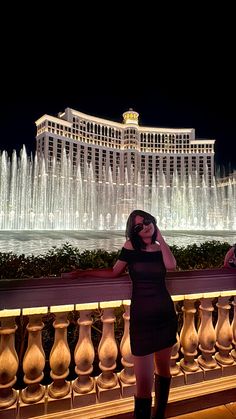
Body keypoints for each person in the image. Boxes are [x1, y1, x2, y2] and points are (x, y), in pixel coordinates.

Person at [65, 209, 178, 419]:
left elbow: (171, 265)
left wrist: (159, 235)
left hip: (165, 315)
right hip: (142, 320)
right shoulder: (130, 247)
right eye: (139, 226)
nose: (145, 226)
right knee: (143, 385)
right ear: (133, 231)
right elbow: (114, 272)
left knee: (163, 370)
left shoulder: (158, 248)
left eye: (147, 221)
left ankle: (160, 414)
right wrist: (84, 272)